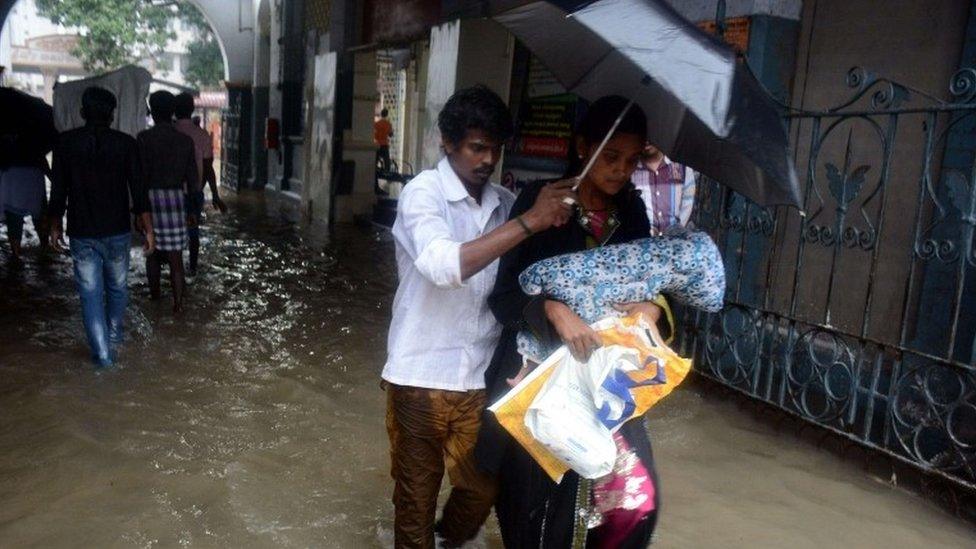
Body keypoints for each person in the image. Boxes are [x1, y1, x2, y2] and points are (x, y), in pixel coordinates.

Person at [382, 85, 575, 549]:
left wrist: (554, 216)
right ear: (447, 143)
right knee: (415, 504)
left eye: (496, 148)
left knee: (483, 488)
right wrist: (530, 221)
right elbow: (445, 266)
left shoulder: (505, 205)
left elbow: (527, 283)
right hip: (419, 379)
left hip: (479, 381)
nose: (488, 159)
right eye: (477, 147)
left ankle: (449, 542)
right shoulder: (421, 194)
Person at [477, 96, 667, 548]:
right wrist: (552, 309)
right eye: (610, 156)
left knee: (636, 501)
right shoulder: (541, 202)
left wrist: (654, 306)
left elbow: (649, 283)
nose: (621, 170)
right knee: (539, 512)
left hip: (604, 376)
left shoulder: (633, 214)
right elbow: (502, 297)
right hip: (537, 374)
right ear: (583, 147)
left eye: (631, 159)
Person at [48, 86, 154, 367]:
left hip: (82, 231)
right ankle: (115, 337)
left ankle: (103, 357)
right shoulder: (126, 144)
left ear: (82, 113)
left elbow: (57, 189)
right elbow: (139, 190)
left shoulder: (65, 143)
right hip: (117, 229)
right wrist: (149, 229)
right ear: (112, 115)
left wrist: (55, 224)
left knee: (90, 294)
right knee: (118, 288)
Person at [137, 91, 198, 313]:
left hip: (150, 200)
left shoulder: (143, 139)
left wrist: (138, 211)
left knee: (151, 254)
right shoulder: (185, 141)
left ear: (152, 112)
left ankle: (155, 300)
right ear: (172, 112)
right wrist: (192, 209)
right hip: (175, 200)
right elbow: (193, 179)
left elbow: (139, 177)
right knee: (176, 259)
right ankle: (178, 305)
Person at [174, 92, 225, 277]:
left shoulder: (169, 132)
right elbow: (208, 168)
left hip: (168, 194)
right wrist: (215, 196)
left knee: (169, 232)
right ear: (192, 109)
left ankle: (174, 268)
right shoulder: (202, 135)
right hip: (193, 195)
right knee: (193, 232)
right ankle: (193, 268)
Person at [631, 143, 696, 235]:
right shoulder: (631, 170)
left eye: (652, 134)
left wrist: (677, 231)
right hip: (642, 242)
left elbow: (688, 200)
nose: (647, 140)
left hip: (675, 241)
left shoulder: (682, 166)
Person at [0, 154, 48, 260]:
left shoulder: (7, 141)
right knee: (40, 215)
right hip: (33, 174)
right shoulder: (35, 143)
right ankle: (46, 249)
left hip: (11, 176)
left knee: (14, 218)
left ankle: (16, 255)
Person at [374, 108, 394, 172]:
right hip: (385, 145)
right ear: (387, 115)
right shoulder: (388, 124)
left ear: (381, 114)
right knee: (386, 162)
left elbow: (374, 134)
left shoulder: (376, 124)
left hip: (377, 145)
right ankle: (387, 174)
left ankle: (375, 173)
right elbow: (390, 135)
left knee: (375, 161)